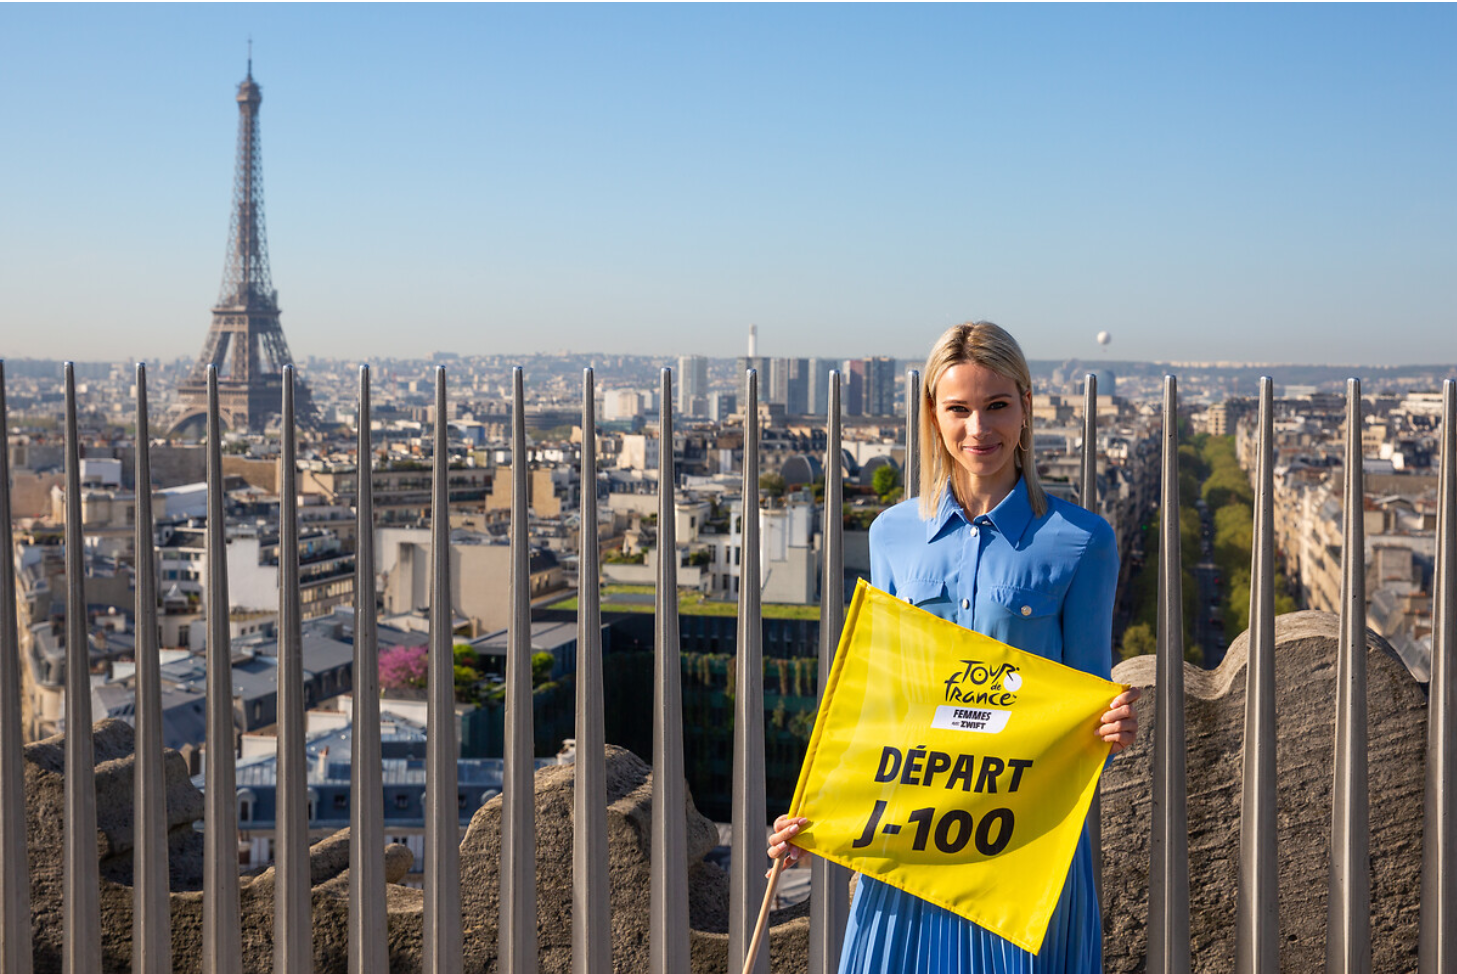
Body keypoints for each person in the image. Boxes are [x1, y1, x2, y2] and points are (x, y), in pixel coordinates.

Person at [768, 321, 1140, 973]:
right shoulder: (890, 535)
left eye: (996, 405)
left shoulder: (1082, 540)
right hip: (913, 829)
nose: (978, 429)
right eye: (958, 409)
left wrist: (1107, 726)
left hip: (1017, 838)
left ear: (1025, 404)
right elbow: (877, 703)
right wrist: (818, 816)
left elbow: (1084, 697)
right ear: (932, 416)